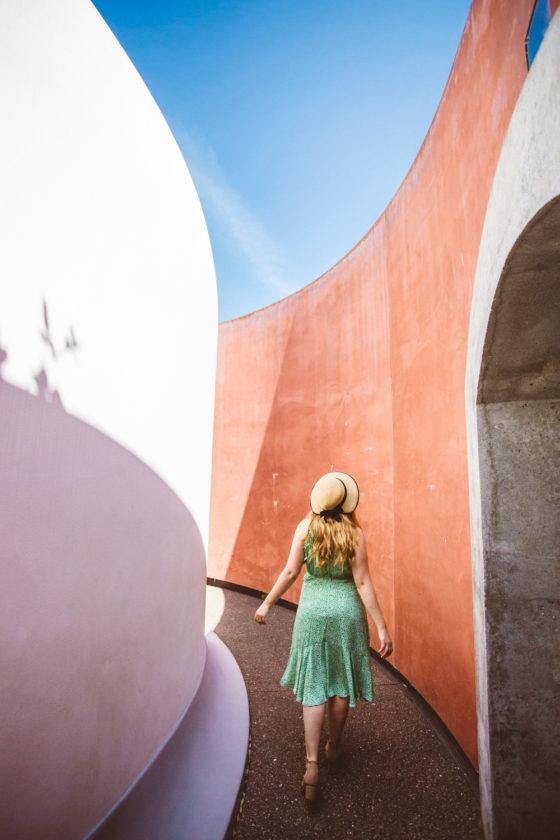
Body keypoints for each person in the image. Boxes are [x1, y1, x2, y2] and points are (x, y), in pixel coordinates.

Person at [254, 471, 393, 803]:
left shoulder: (305, 529)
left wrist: (267, 604)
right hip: (347, 614)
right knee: (341, 685)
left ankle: (312, 766)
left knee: (315, 684)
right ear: (346, 503)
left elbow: (290, 572)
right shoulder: (355, 534)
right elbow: (363, 583)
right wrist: (382, 626)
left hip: (312, 615)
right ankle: (334, 746)